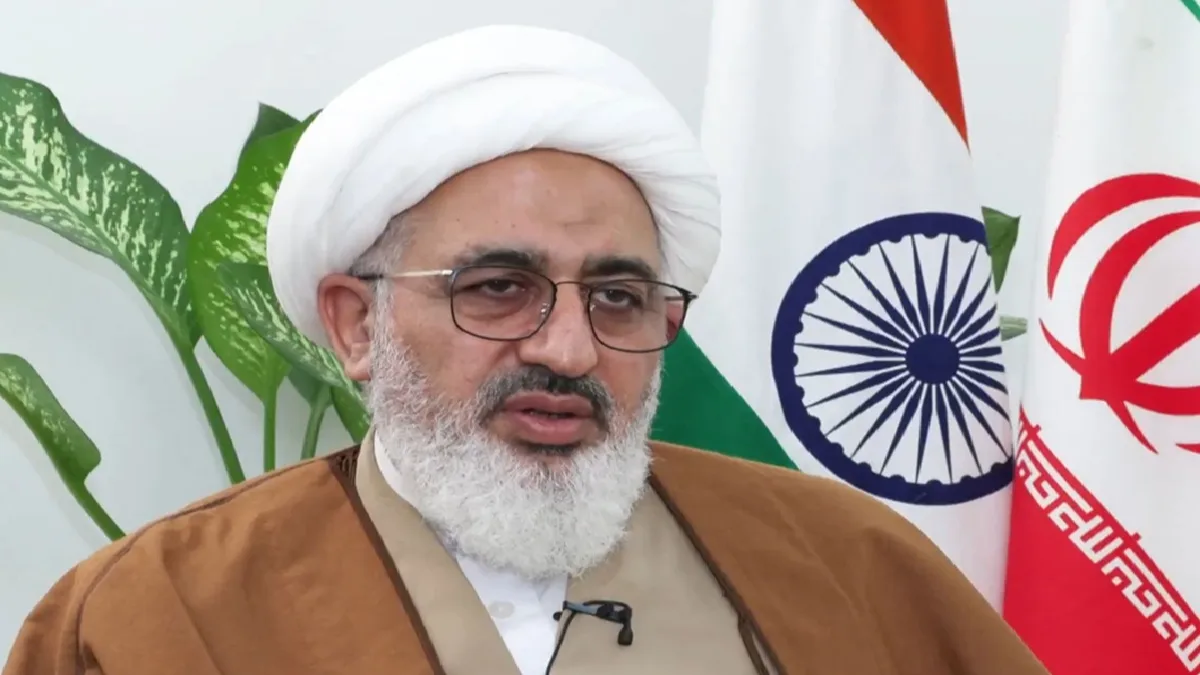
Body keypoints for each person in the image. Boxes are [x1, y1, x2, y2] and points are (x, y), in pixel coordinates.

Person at [2, 25, 1049, 675]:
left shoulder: (847, 561)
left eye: (620, 297)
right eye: (498, 289)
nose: (570, 348)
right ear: (357, 323)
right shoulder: (160, 612)